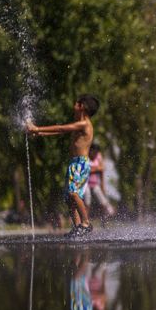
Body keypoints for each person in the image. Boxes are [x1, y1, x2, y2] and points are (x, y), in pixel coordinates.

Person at [27, 94, 100, 237]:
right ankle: (78, 226)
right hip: (74, 163)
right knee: (68, 198)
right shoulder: (78, 124)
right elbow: (59, 131)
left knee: (73, 193)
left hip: (80, 163)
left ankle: (86, 223)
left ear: (82, 107)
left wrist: (37, 128)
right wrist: (39, 133)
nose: (74, 105)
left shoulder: (84, 124)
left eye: (77, 103)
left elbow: (61, 128)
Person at [84, 143, 116, 220]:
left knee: (102, 200)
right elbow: (85, 171)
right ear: (90, 151)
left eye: (96, 153)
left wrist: (102, 185)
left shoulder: (98, 156)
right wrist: (96, 168)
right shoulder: (85, 157)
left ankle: (106, 216)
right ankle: (85, 220)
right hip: (85, 183)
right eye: (94, 153)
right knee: (87, 201)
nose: (95, 154)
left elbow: (102, 169)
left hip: (95, 183)